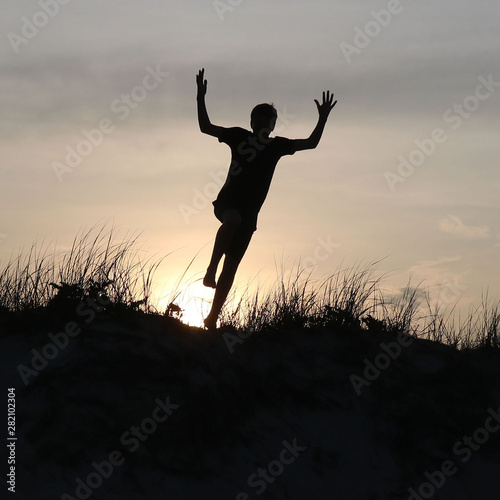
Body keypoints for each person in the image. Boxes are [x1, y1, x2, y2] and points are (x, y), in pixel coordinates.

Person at [196, 68, 336, 330]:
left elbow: (311, 143)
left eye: (267, 121)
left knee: (233, 266)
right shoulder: (239, 137)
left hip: (250, 214)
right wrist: (200, 97)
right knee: (232, 220)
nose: (262, 125)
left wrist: (323, 119)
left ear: (273, 125)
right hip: (228, 203)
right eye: (258, 121)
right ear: (252, 123)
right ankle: (210, 270)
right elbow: (206, 127)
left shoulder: (276, 147)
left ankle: (212, 319)